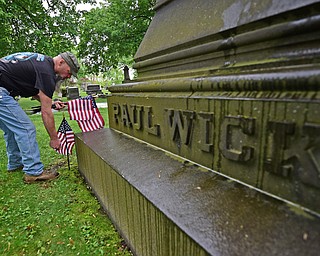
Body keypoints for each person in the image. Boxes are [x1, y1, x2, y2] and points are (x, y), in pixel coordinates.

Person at [0, 51, 80, 183]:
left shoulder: (41, 63)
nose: (68, 76)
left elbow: (38, 94)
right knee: (26, 129)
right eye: (68, 72)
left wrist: (52, 102)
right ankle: (33, 171)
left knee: (11, 129)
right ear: (61, 62)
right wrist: (54, 138)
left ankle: (15, 163)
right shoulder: (46, 73)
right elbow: (46, 112)